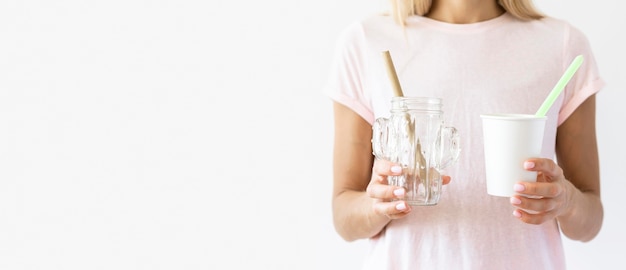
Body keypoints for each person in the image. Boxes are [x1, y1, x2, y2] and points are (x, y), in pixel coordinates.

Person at [324, 0, 604, 269]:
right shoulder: (366, 41)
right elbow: (344, 217)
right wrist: (377, 204)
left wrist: (566, 200)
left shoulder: (563, 44)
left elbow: (590, 220)